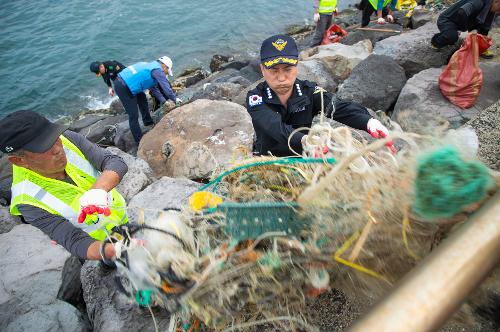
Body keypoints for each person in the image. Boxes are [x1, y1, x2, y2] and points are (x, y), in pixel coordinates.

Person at [0, 110, 129, 261]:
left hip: (123, 218)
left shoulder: (66, 139)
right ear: (19, 161)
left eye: (54, 137)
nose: (58, 149)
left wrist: (98, 190)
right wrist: (111, 251)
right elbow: (74, 240)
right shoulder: (26, 201)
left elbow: (114, 162)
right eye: (43, 146)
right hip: (101, 245)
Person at [246, 35, 395, 157]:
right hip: (267, 159)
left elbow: (338, 107)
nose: (281, 78)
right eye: (273, 70)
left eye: (287, 69)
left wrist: (369, 123)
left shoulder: (309, 92)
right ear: (262, 69)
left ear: (296, 66)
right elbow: (273, 126)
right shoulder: (255, 98)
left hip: (305, 157)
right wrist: (305, 140)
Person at [114, 56, 182, 143]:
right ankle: (139, 141)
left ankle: (147, 121)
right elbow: (166, 88)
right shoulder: (157, 70)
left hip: (128, 83)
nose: (166, 74)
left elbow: (153, 88)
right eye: (167, 72)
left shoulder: (150, 66)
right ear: (164, 66)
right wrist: (175, 99)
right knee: (133, 115)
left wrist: (164, 101)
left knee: (142, 99)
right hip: (123, 85)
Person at [431, 0, 500, 58]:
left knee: (485, 25)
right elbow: (462, 11)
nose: (499, 11)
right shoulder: (479, 2)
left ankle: (479, 49)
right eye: (499, 9)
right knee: (452, 37)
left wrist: (482, 45)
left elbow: (485, 27)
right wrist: (465, 30)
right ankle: (436, 41)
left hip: (466, 21)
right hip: (448, 20)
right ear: (497, 1)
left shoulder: (490, 7)